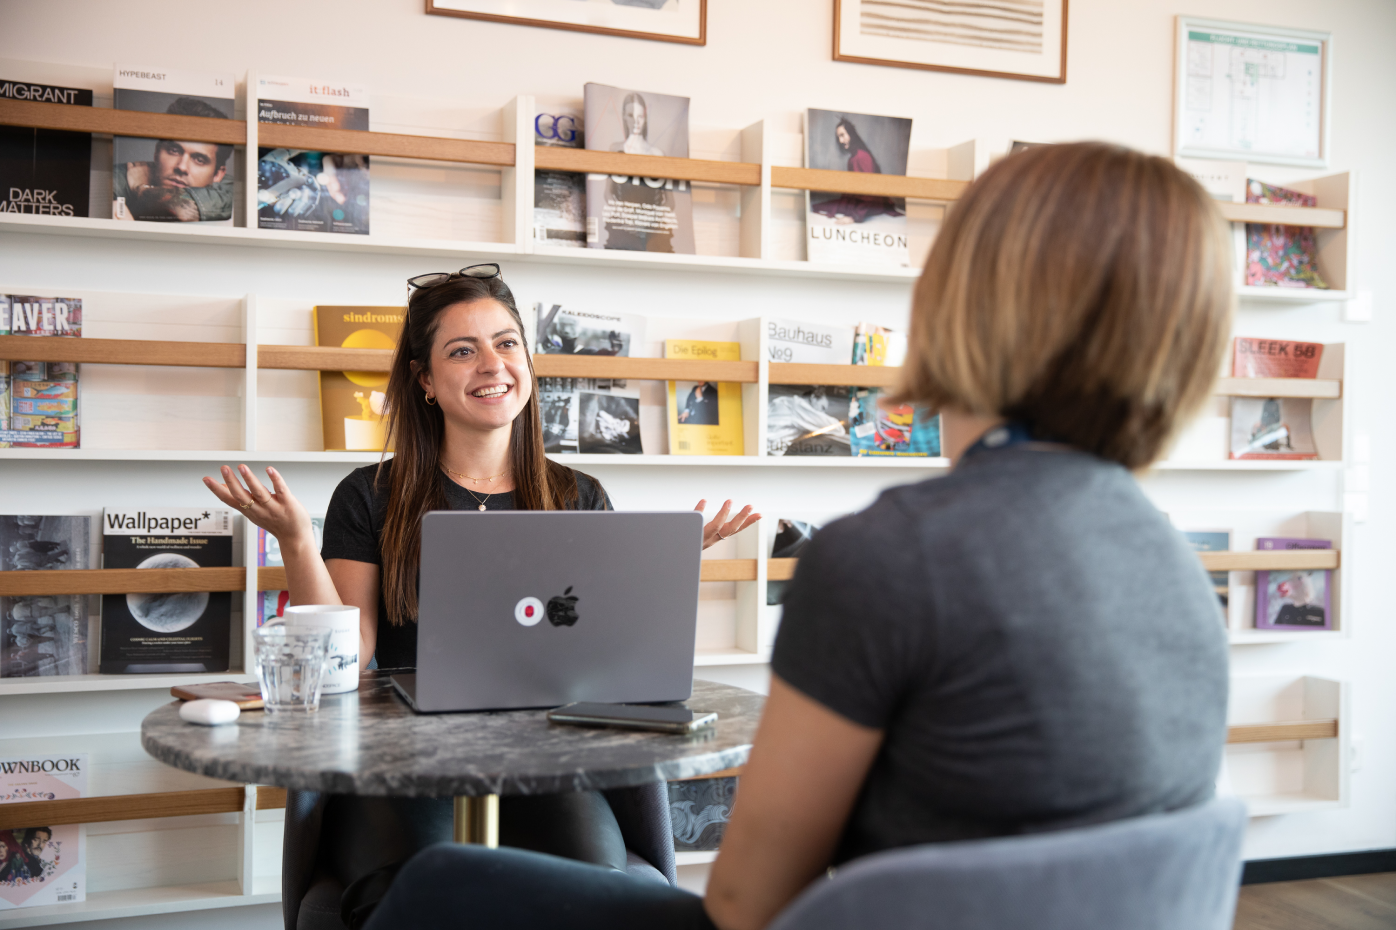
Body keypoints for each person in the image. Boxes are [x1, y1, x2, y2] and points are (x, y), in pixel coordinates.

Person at [357, 142, 1235, 930]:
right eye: (463, 350)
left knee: (442, 887)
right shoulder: (1180, 573)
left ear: (958, 308)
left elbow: (744, 905)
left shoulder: (885, 558)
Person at [203, 265, 759, 916]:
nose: (491, 364)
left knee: (595, 881)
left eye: (506, 343)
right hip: (403, 765)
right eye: (462, 350)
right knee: (430, 883)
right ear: (426, 381)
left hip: (552, 760)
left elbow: (611, 668)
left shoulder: (579, 497)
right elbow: (346, 660)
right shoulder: (368, 496)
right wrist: (298, 541)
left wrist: (646, 576)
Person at [112, 97, 234, 223]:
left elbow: (179, 210)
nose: (181, 167)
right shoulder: (118, 177)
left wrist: (141, 188)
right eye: (174, 151)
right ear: (156, 153)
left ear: (218, 174)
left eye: (199, 160)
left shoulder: (231, 189)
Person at [811, 117, 904, 226]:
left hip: (871, 204)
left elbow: (869, 191)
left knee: (823, 209)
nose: (841, 141)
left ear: (851, 134)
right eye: (839, 137)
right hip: (857, 201)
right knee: (817, 207)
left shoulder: (862, 157)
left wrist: (853, 216)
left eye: (843, 135)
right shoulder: (853, 158)